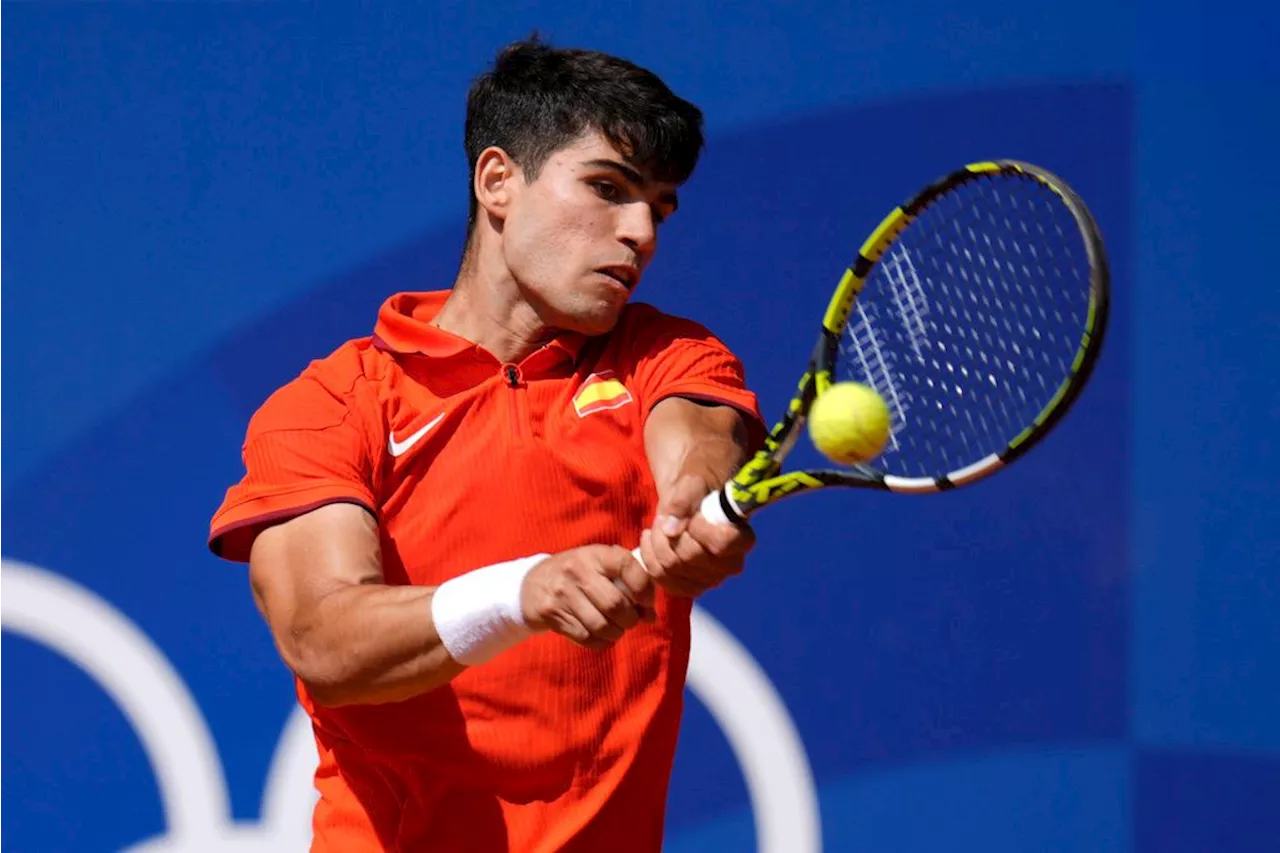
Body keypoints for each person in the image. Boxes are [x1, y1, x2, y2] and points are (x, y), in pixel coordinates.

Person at [208, 35, 764, 853]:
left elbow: (699, 438)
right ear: (498, 180)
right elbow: (322, 637)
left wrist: (697, 501)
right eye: (608, 189)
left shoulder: (666, 356)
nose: (641, 231)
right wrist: (519, 592)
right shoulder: (331, 405)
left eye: (659, 206)